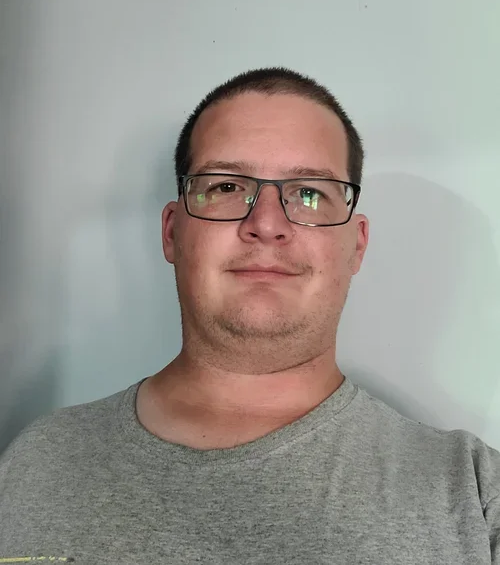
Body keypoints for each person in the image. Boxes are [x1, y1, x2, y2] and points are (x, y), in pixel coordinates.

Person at [0, 67, 499, 564]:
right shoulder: (37, 463)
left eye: (309, 193)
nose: (266, 224)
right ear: (172, 232)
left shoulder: (475, 493)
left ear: (357, 245)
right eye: (225, 187)